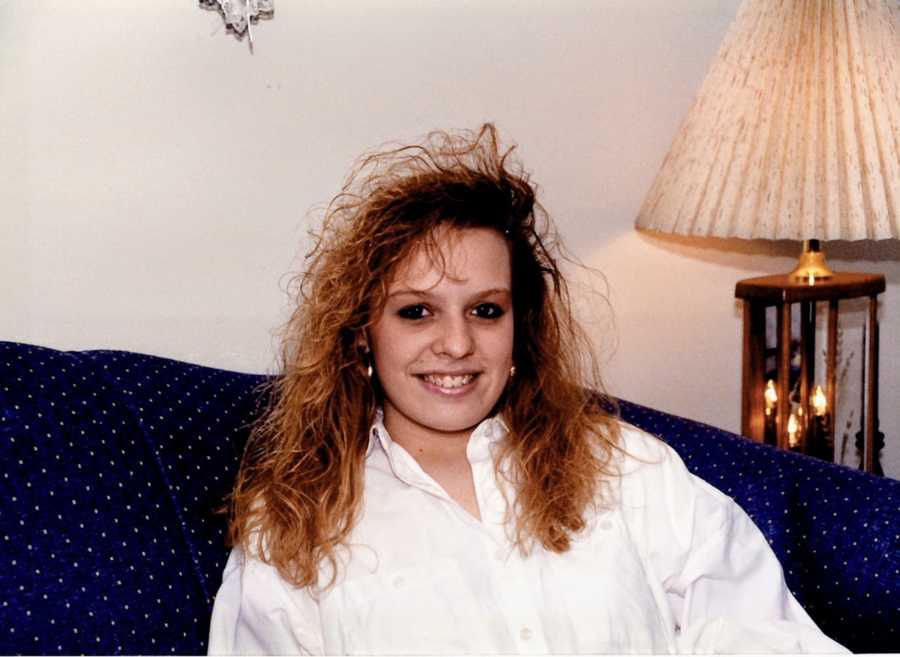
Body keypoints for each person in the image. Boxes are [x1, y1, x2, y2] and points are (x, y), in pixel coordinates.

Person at [208, 124, 846, 654]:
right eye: (416, 311)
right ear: (360, 334)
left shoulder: (626, 469)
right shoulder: (293, 529)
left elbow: (758, 633)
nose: (457, 344)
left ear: (521, 328)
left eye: (485, 310)